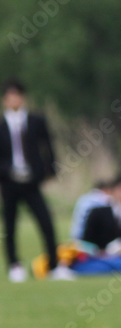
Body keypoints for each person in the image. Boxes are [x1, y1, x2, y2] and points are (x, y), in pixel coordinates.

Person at [0, 77, 73, 282]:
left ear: (23, 98)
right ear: (5, 100)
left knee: (46, 222)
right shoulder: (2, 125)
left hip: (32, 180)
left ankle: (54, 265)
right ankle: (14, 265)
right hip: (9, 181)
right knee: (10, 224)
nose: (13, 100)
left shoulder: (36, 121)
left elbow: (47, 147)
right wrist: (7, 171)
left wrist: (49, 172)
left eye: (17, 96)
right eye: (9, 96)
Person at [75, 176, 121, 273]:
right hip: (97, 254)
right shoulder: (98, 212)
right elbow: (86, 239)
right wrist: (102, 251)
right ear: (114, 191)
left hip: (119, 256)